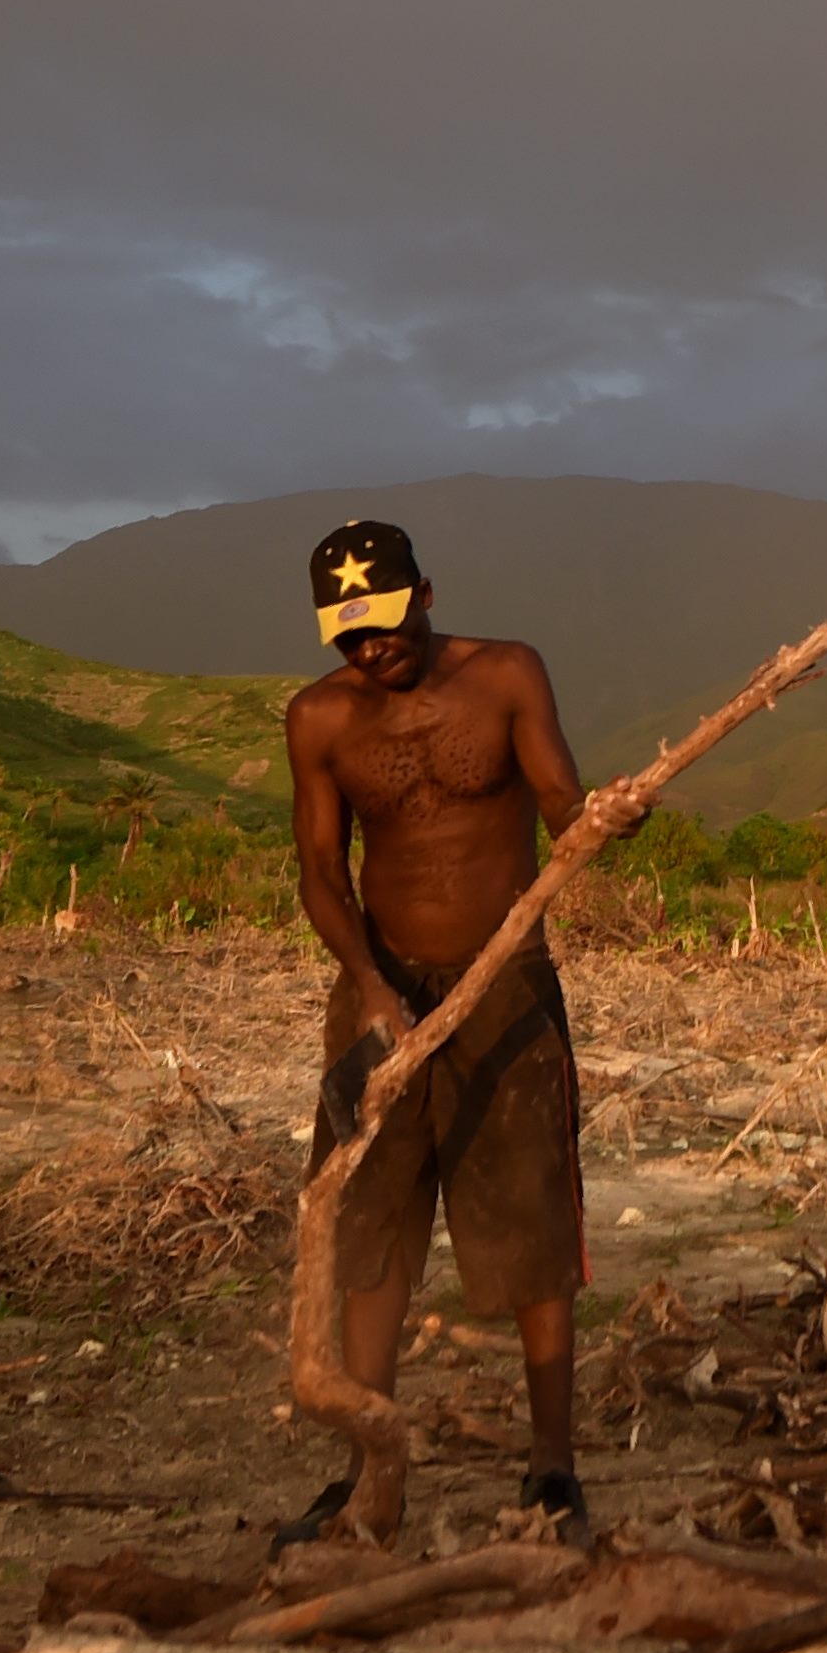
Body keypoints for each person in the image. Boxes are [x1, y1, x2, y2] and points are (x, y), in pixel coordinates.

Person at [281, 515, 592, 1541]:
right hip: (379, 986)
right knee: (364, 1221)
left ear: (426, 590)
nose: (371, 647)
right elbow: (322, 871)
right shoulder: (318, 719)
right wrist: (367, 982)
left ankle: (551, 1471)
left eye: (384, 621)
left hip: (504, 977)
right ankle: (373, 1470)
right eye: (348, 633)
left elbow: (559, 800)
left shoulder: (507, 673)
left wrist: (595, 821)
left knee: (531, 1218)